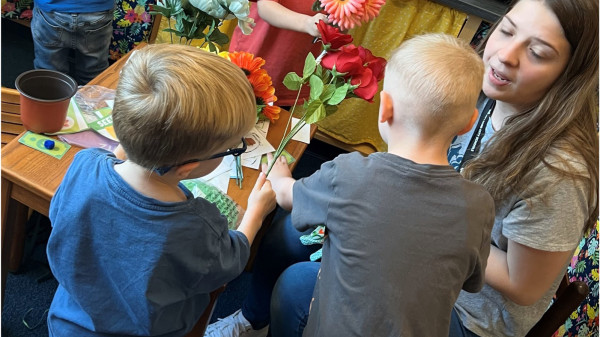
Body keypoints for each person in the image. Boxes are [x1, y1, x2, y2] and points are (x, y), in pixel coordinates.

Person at [206, 33, 495, 337]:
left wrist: (281, 178)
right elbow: (471, 282)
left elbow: (289, 198)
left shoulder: (349, 173)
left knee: (293, 266)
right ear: (469, 123)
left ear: (385, 108)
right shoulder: (479, 204)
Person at [45, 44, 277, 336]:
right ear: (188, 167)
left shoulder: (85, 165)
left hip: (68, 323)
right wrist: (256, 212)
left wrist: (137, 141)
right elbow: (230, 263)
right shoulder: (196, 225)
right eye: (231, 148)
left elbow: (61, 213)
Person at [446, 0, 599, 336]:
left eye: (538, 53)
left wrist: (428, 218)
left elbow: (523, 285)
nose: (504, 55)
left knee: (300, 286)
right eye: (507, 31)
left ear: (570, 73)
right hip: (423, 261)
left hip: (468, 317)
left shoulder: (559, 171)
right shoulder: (484, 91)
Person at [228, 0, 328, 108]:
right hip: (255, 56)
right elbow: (265, 7)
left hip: (293, 69)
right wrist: (307, 23)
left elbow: (338, 25)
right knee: (229, 112)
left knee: (273, 120)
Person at [31, 0, 115, 85]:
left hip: (51, 10)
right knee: (93, 75)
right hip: (98, 9)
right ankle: (91, 95)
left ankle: (50, 94)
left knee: (49, 73)